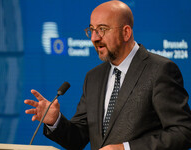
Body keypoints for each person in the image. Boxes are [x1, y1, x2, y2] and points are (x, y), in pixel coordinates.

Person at [24, 1, 191, 150]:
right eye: (92, 30)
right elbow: (77, 139)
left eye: (102, 29)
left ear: (126, 33)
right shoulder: (93, 77)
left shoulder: (160, 70)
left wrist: (125, 148)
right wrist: (55, 121)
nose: (95, 38)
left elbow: (183, 132)